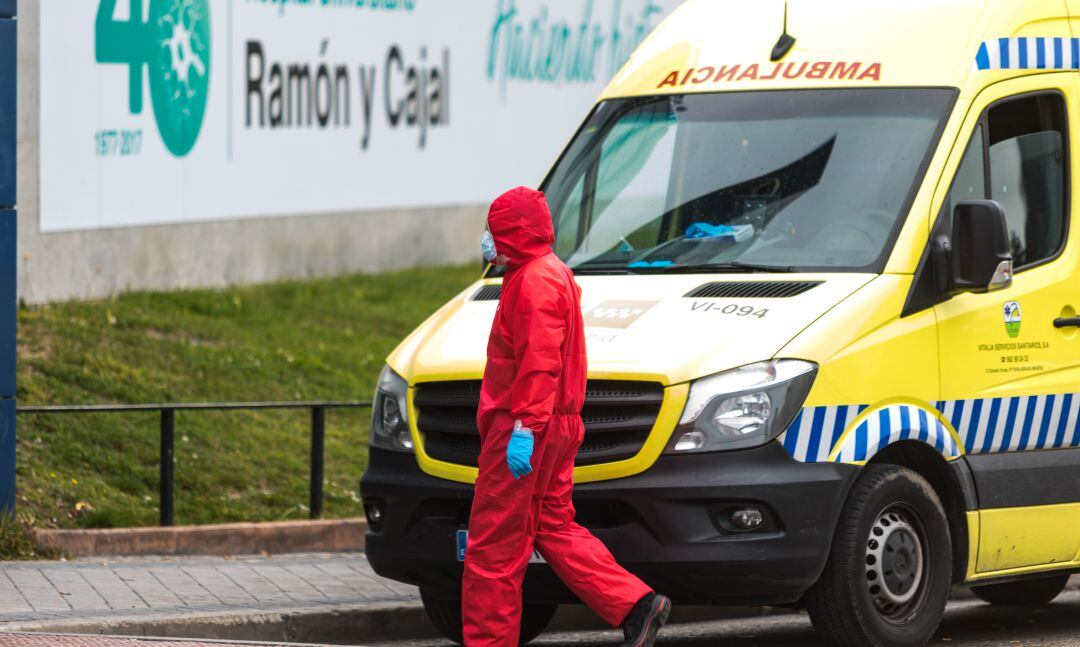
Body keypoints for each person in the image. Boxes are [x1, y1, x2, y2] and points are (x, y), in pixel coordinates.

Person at [462, 186, 671, 647]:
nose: (487, 239)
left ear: (513, 232)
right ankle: (635, 605)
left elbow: (539, 362)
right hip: (555, 426)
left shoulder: (533, 281)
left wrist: (524, 429)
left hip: (525, 428)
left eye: (494, 229)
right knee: (552, 525)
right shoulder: (548, 273)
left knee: (493, 549)